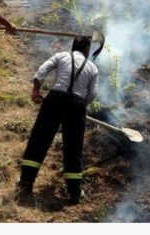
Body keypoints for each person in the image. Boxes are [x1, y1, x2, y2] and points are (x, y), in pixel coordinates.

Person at [16, 35, 98, 205]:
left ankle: (25, 183)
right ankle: (74, 193)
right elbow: (92, 95)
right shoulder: (92, 67)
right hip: (77, 105)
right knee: (73, 149)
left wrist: (36, 91)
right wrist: (80, 105)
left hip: (54, 99)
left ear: (73, 46)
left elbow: (42, 71)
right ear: (87, 50)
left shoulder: (61, 56)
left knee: (39, 141)